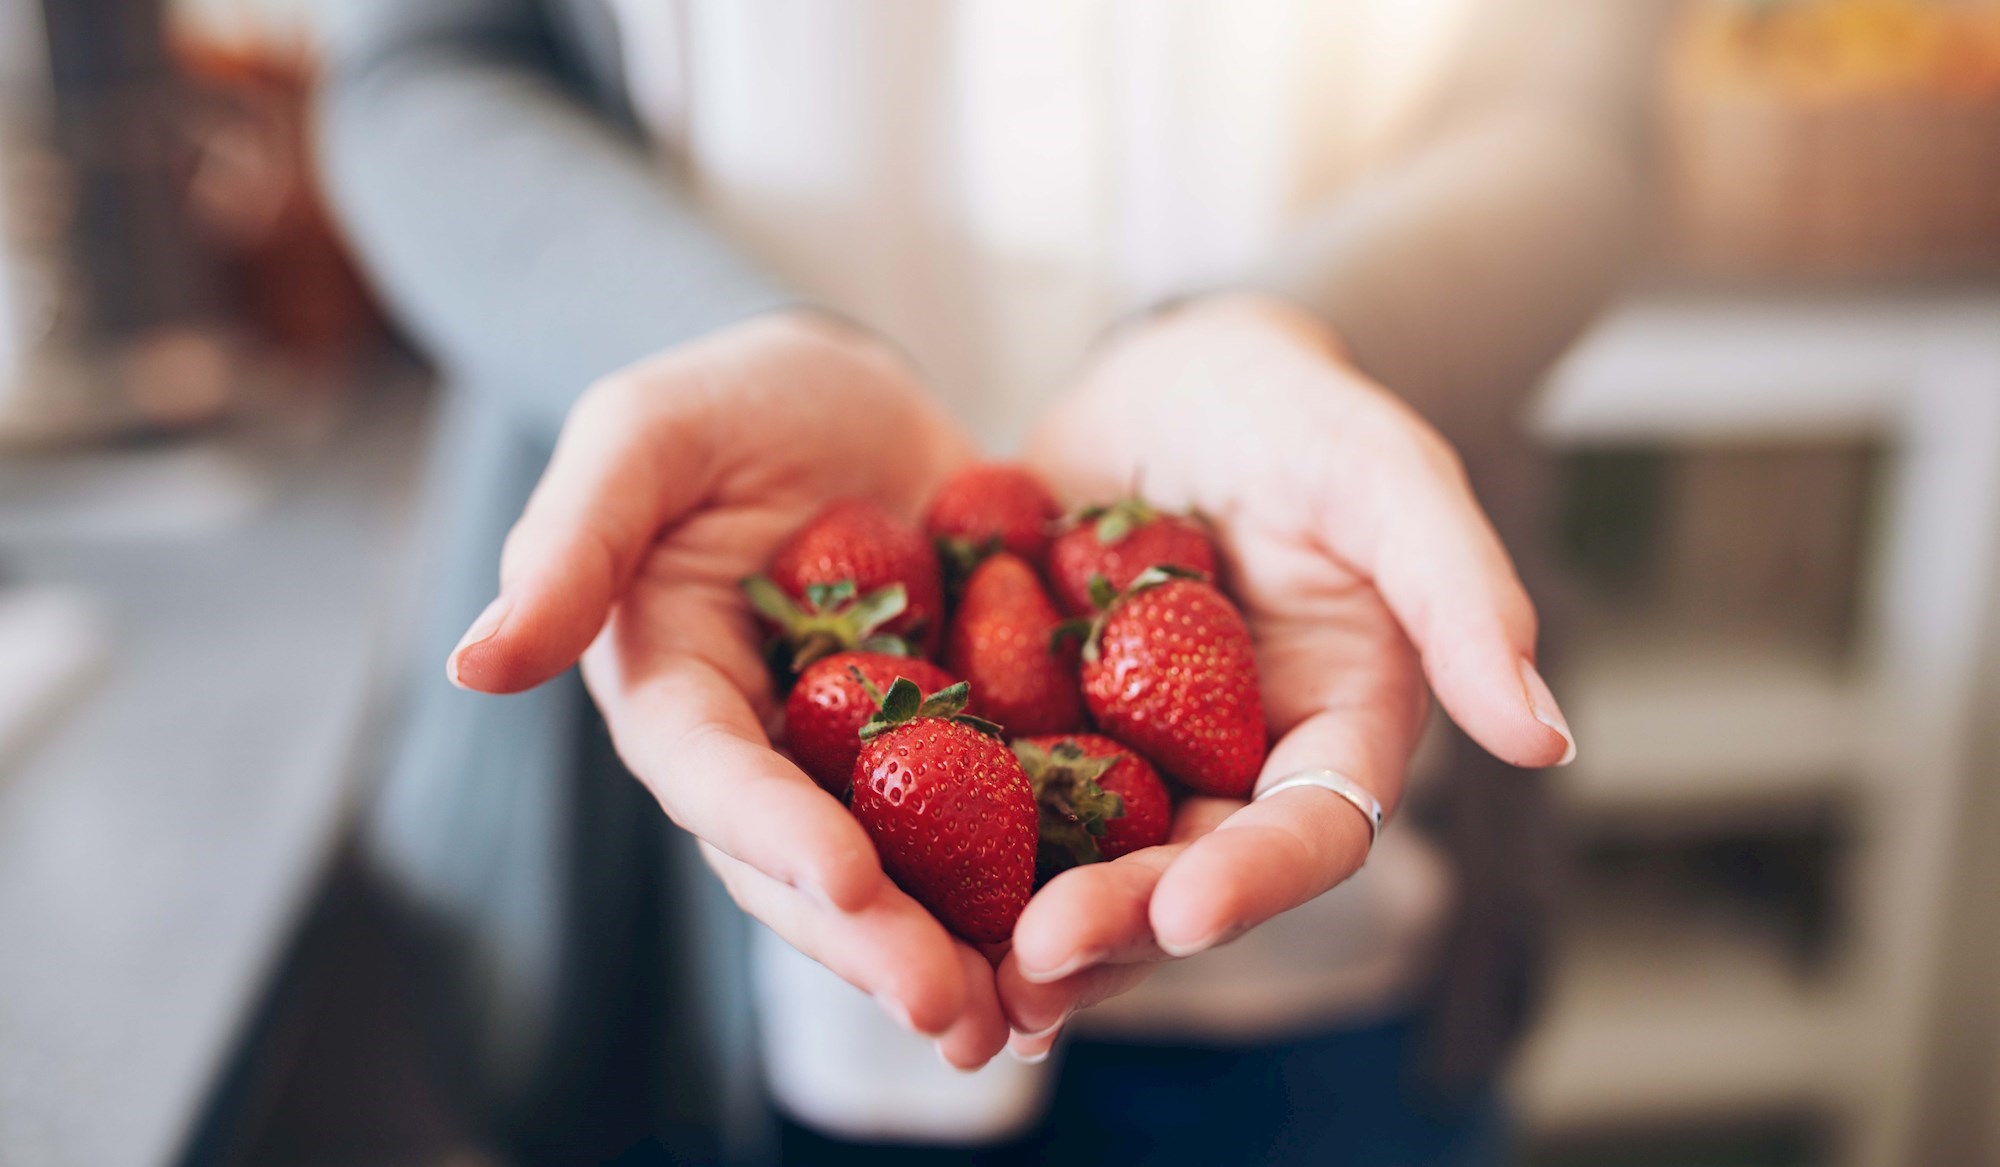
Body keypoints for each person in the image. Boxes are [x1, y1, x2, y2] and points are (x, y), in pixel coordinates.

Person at [316, 2, 1661, 1163]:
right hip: (676, 954)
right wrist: (687, 337)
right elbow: (422, 68)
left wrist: (1311, 331)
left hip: (1349, 940)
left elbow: (1574, 122)